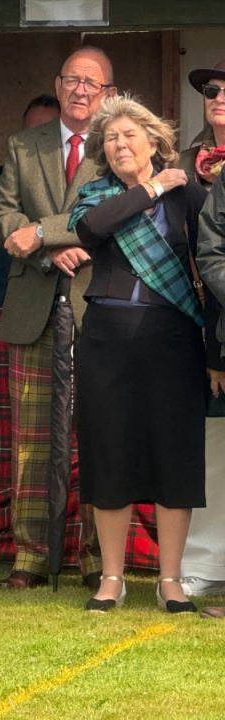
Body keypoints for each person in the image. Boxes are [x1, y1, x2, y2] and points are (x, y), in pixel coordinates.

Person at [68, 95, 206, 613]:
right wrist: (150, 188)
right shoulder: (96, 195)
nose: (120, 144)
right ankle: (112, 578)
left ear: (155, 141)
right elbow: (91, 230)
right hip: (106, 335)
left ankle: (170, 580)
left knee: (174, 454)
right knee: (110, 453)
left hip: (173, 338)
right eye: (110, 138)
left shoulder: (186, 193)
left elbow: (207, 258)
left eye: (129, 135)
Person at [0, 47, 114, 591]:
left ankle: (93, 557)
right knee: (32, 441)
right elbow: (1, 217)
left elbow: (118, 206)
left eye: (92, 82)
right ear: (57, 85)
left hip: (100, 306)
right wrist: (45, 253)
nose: (81, 89)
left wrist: (46, 232)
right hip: (34, 305)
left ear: (108, 92)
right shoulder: (24, 144)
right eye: (71, 79)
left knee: (97, 435)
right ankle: (31, 557)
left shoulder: (117, 143)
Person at [177, 61, 225, 602]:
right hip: (189, 314)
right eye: (212, 91)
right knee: (210, 443)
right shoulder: (179, 163)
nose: (218, 98)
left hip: (222, 312)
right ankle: (206, 562)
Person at [0, 95, 60, 307]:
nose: (35, 140)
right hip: (3, 303)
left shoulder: (71, 180)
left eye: (45, 132)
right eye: (29, 132)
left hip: (55, 303)